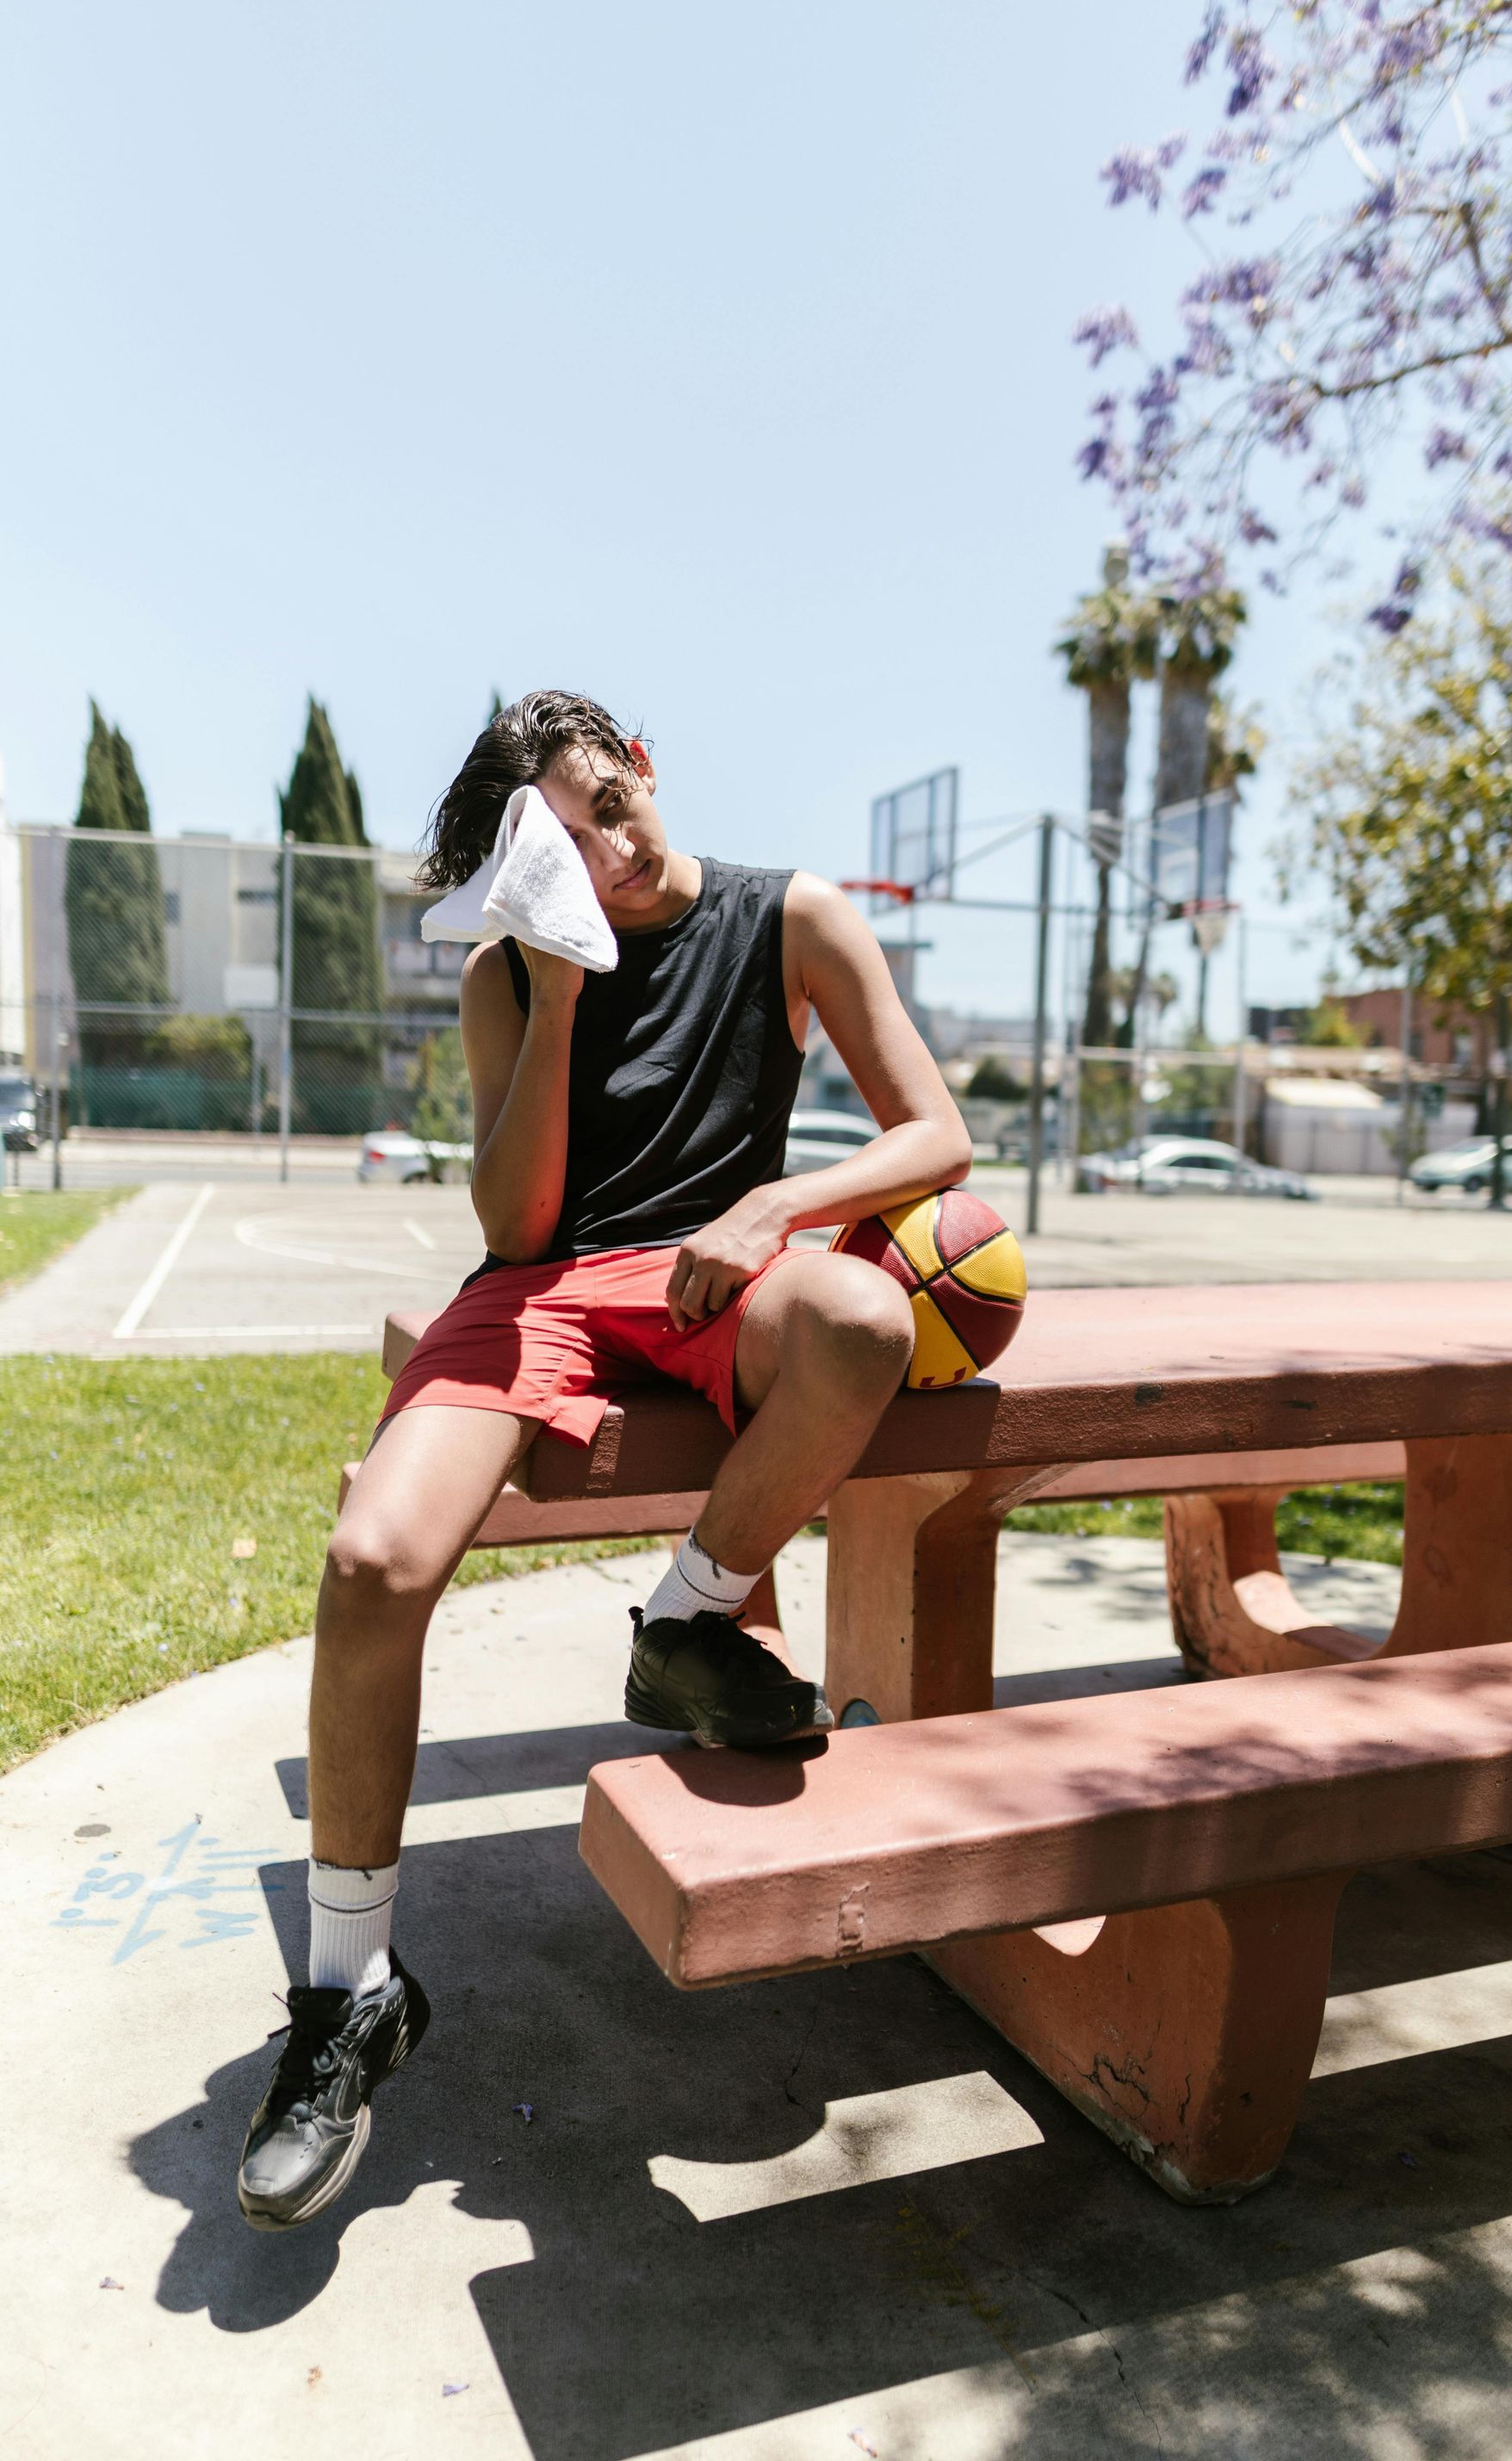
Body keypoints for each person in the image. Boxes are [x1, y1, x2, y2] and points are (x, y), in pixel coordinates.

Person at [238, 690, 971, 2230]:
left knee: (856, 1315)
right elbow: (511, 1231)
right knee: (372, 1564)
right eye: (563, 850)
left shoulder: (796, 917)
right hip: (545, 1287)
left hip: (721, 1269)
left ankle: (688, 1622)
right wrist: (561, 994)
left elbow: (937, 1140)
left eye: (608, 807)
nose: (608, 855)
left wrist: (779, 1207)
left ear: (642, 762)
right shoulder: (514, 970)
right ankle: (349, 1993)